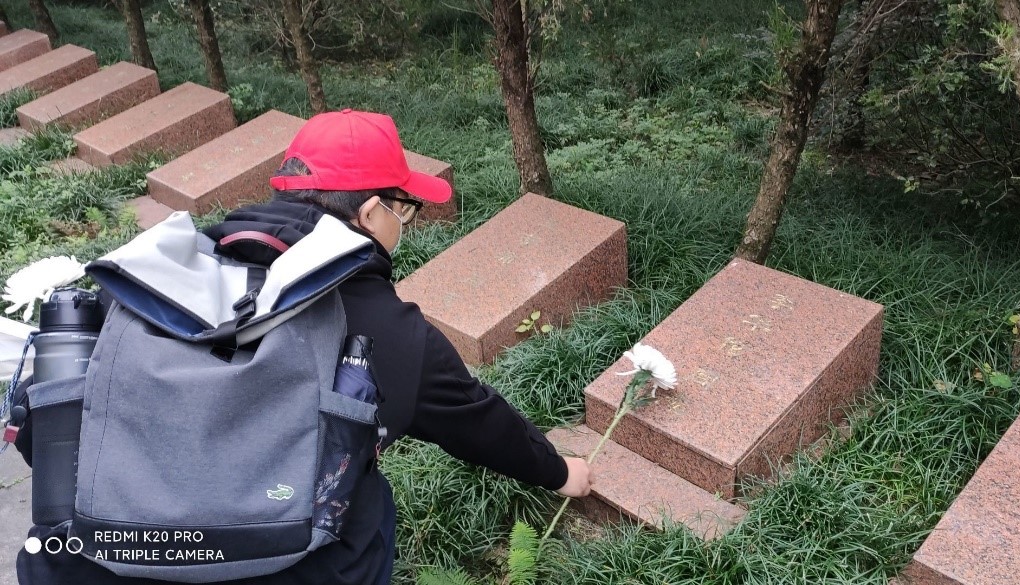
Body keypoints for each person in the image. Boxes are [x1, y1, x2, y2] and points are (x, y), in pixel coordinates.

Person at [19, 109, 594, 585]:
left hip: (89, 561)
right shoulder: (388, 328)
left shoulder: (151, 283)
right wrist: (559, 471)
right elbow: (478, 419)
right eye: (405, 208)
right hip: (291, 563)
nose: (405, 222)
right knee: (368, 505)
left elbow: (43, 431)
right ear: (371, 212)